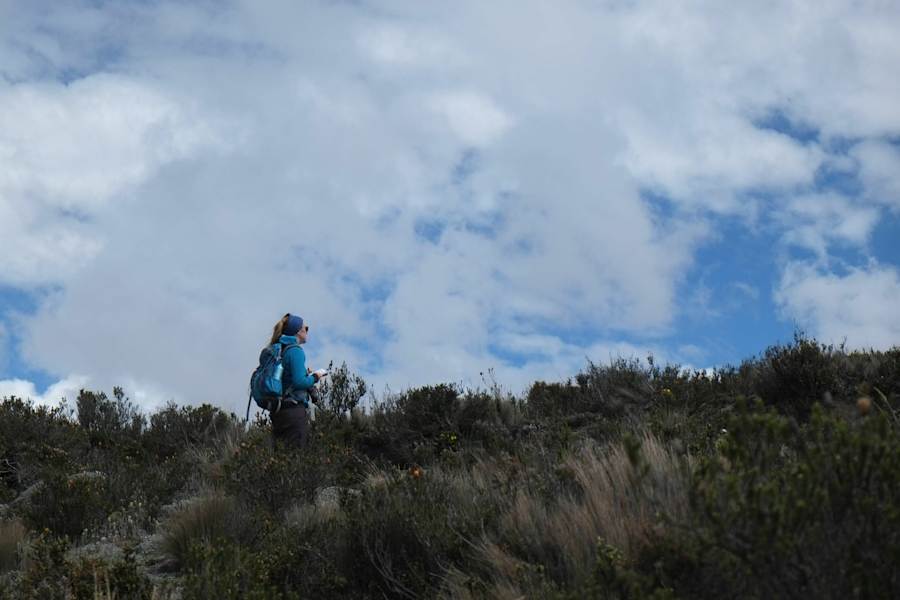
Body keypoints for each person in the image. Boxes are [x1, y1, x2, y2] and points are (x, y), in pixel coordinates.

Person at [268, 313, 327, 449]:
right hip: (293, 412)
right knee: (296, 458)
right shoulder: (295, 351)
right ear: (298, 331)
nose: (307, 329)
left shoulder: (280, 351)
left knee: (281, 458)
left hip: (278, 412)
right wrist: (316, 376)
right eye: (305, 327)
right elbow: (299, 382)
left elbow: (286, 379)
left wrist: (304, 375)